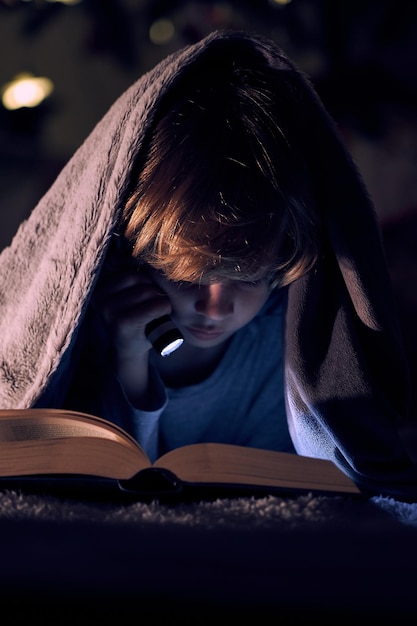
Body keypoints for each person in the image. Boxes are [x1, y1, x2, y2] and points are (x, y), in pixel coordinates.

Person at [0, 29, 416, 498]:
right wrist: (132, 364)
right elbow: (94, 477)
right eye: (187, 277)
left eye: (251, 278)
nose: (215, 308)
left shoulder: (286, 350)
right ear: (136, 253)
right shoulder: (81, 328)